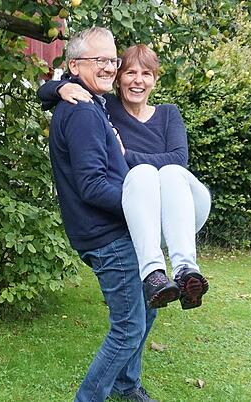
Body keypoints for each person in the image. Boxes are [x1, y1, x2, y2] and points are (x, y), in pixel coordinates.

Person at [40, 44, 211, 311]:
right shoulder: (106, 107)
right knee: (143, 176)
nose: (138, 80)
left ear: (155, 79)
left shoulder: (168, 114)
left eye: (146, 73)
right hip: (144, 217)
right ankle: (155, 275)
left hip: (181, 206)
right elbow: (46, 93)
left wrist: (126, 154)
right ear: (118, 78)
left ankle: (186, 269)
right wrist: (60, 87)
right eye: (130, 72)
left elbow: (179, 159)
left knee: (166, 172)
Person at [48, 27, 158, 402]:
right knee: (128, 328)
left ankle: (127, 385)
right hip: (107, 236)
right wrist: (142, 205)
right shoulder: (81, 113)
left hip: (117, 230)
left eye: (112, 59)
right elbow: (92, 185)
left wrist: (57, 85)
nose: (111, 67)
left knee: (148, 306)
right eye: (101, 60)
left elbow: (48, 88)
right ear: (76, 65)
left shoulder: (89, 101)